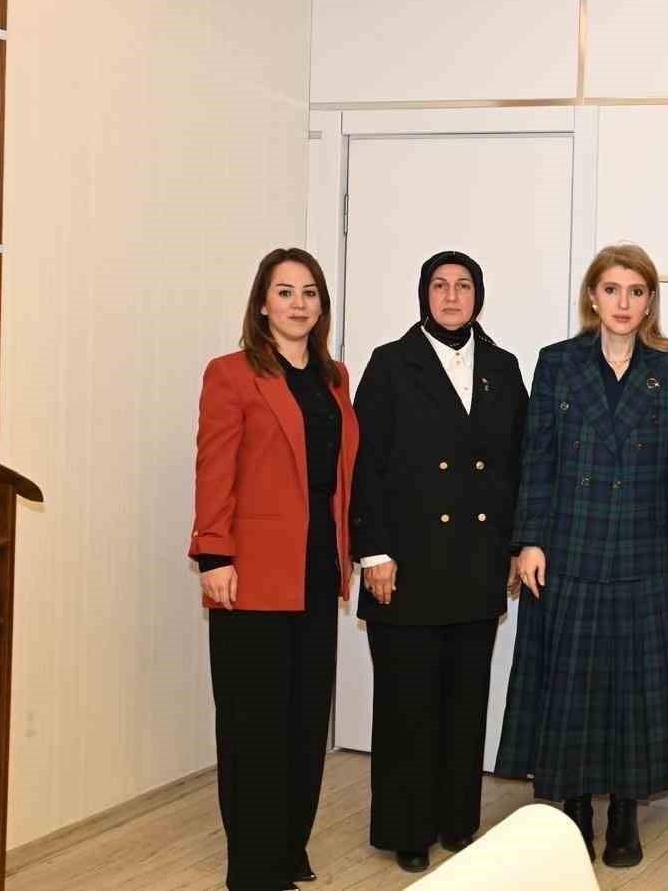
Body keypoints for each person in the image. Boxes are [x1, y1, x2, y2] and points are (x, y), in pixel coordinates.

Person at [494, 243, 668, 869]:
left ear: (650, 301)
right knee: (572, 686)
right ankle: (575, 807)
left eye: (636, 292)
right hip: (570, 547)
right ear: (592, 295)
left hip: (645, 549)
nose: (623, 303)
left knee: (635, 690)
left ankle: (624, 813)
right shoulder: (557, 363)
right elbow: (536, 458)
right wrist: (529, 540)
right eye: (612, 289)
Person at [350, 251, 528, 873]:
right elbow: (364, 465)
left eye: (464, 286)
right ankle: (407, 829)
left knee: (465, 700)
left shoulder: (503, 367)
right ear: (423, 295)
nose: (452, 296)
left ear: (479, 296)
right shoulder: (390, 363)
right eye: (440, 285)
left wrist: (516, 544)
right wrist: (374, 552)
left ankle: (457, 821)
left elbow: (518, 464)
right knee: (408, 704)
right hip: (404, 564)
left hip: (477, 562)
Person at [189, 248, 359, 891]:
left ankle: (288, 847)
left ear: (321, 305)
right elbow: (214, 467)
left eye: (309, 292)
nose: (298, 303)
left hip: (317, 568)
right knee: (253, 724)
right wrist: (214, 554)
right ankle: (254, 866)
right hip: (250, 573)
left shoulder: (335, 377)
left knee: (305, 719)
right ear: (262, 303)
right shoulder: (230, 374)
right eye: (284, 291)